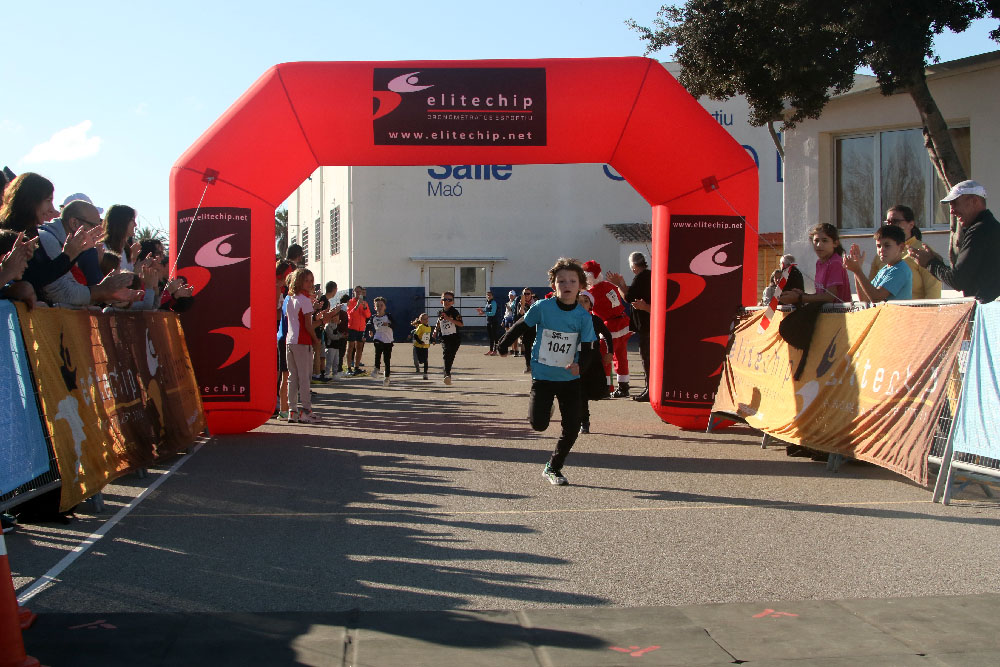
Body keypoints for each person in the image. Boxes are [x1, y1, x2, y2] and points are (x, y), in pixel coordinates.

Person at [497, 258, 597, 486]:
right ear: (554, 285)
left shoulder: (583, 317)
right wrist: (503, 344)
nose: (567, 284)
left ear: (580, 285)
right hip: (543, 376)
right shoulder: (543, 307)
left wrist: (581, 366)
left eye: (572, 280)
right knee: (538, 425)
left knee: (572, 427)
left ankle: (553, 467)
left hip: (570, 378)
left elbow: (590, 347)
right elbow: (522, 324)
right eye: (561, 280)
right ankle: (546, 406)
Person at [910, 180, 1000, 303]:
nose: (952, 211)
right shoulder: (990, 227)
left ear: (974, 201)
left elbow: (958, 280)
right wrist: (937, 263)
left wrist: (930, 263)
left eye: (955, 203)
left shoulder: (980, 230)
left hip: (988, 314)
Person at [865, 205, 940, 300]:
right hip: (886, 312)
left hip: (915, 312)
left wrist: (928, 313)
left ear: (911, 225)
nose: (891, 225)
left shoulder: (923, 251)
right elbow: (869, 291)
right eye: (888, 222)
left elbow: (933, 291)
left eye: (895, 221)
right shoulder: (881, 254)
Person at [582, 260, 632, 397]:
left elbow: (586, 307)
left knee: (605, 358)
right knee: (621, 357)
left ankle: (605, 387)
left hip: (610, 327)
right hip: (624, 324)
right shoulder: (609, 285)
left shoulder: (592, 293)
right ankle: (624, 386)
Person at [607, 251, 652, 402]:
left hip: (647, 325)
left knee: (647, 357)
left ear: (633, 266)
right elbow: (630, 294)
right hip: (647, 324)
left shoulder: (642, 277)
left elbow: (628, 297)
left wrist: (619, 284)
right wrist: (620, 284)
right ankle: (649, 388)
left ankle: (650, 389)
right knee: (647, 357)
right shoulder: (645, 276)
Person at [780, 223, 852, 306]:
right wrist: (803, 295)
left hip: (839, 315)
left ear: (835, 243)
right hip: (825, 312)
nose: (819, 245)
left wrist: (799, 298)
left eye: (824, 240)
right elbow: (821, 295)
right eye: (816, 241)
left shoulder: (835, 262)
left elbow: (830, 297)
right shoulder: (819, 263)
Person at [285, 268, 323, 423]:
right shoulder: (305, 300)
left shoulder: (291, 299)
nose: (310, 284)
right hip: (302, 342)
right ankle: (306, 411)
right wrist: (315, 339)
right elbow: (308, 325)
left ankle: (292, 411)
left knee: (292, 377)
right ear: (299, 281)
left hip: (290, 340)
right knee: (305, 377)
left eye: (311, 281)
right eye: (307, 280)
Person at [844, 225, 913, 303]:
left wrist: (858, 271)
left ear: (901, 247)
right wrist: (857, 270)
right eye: (878, 246)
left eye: (887, 246)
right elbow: (865, 299)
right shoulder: (884, 270)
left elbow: (876, 298)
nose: (882, 250)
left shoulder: (900, 270)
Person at [576, 290, 613, 434]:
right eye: (579, 301)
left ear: (590, 305)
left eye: (585, 301)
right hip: (577, 358)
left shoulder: (595, 320)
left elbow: (607, 335)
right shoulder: (571, 319)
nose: (582, 304)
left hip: (593, 358)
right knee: (580, 392)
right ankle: (583, 422)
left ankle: (583, 418)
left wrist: (610, 352)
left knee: (596, 391)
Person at [435, 290, 463, 385]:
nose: (447, 301)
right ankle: (447, 375)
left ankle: (447, 373)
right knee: (446, 354)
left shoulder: (454, 312)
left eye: (449, 300)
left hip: (455, 337)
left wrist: (449, 319)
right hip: (444, 337)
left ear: (453, 302)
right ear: (441, 301)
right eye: (444, 299)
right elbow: (439, 322)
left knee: (451, 356)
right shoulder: (440, 312)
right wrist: (435, 331)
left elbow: (460, 324)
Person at [102, 205, 140, 272]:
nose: (135, 224)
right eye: (132, 220)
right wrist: (136, 271)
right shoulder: (103, 248)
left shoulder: (125, 250)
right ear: (122, 222)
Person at [312, 281, 337, 382]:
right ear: (334, 289)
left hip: (320, 328)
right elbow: (319, 315)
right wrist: (332, 313)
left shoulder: (325, 300)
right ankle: (316, 373)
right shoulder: (324, 300)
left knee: (321, 352)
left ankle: (321, 372)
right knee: (317, 351)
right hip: (317, 328)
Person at [367, 296, 395, 386]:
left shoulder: (388, 316)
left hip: (388, 340)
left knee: (387, 360)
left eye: (381, 305)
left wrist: (389, 324)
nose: (379, 307)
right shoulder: (373, 317)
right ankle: (376, 368)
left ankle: (387, 377)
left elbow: (395, 324)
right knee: (377, 351)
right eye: (377, 306)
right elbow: (368, 325)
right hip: (378, 337)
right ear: (375, 308)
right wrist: (370, 331)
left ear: (385, 307)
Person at [346, 285, 371, 375]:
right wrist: (357, 306)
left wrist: (364, 307)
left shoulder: (365, 303)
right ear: (353, 292)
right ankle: (349, 368)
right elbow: (350, 314)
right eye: (356, 291)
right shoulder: (350, 302)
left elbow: (368, 315)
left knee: (359, 348)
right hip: (352, 327)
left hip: (361, 328)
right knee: (350, 348)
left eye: (360, 292)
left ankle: (356, 367)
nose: (358, 293)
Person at [517, 288, 536, 373]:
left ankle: (537, 366)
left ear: (531, 294)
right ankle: (528, 366)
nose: (526, 295)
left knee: (536, 348)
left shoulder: (536, 303)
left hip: (536, 328)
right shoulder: (520, 304)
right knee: (527, 348)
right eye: (525, 294)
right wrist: (522, 305)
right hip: (526, 328)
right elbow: (520, 314)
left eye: (528, 294)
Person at [411, 312, 433, 379]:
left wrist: (433, 340)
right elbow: (415, 335)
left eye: (427, 318)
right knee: (420, 360)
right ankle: (419, 364)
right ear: (421, 320)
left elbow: (429, 336)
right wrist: (420, 342)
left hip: (425, 346)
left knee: (426, 360)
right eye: (424, 319)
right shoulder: (420, 327)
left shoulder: (429, 327)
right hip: (418, 346)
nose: (426, 320)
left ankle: (425, 374)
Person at [502, 289, 521, 356]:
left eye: (512, 295)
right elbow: (506, 313)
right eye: (510, 295)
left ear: (514, 296)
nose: (511, 296)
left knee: (514, 335)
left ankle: (516, 349)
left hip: (513, 319)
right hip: (507, 319)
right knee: (508, 335)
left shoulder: (516, 303)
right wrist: (503, 320)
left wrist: (509, 308)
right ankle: (512, 349)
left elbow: (514, 311)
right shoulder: (507, 303)